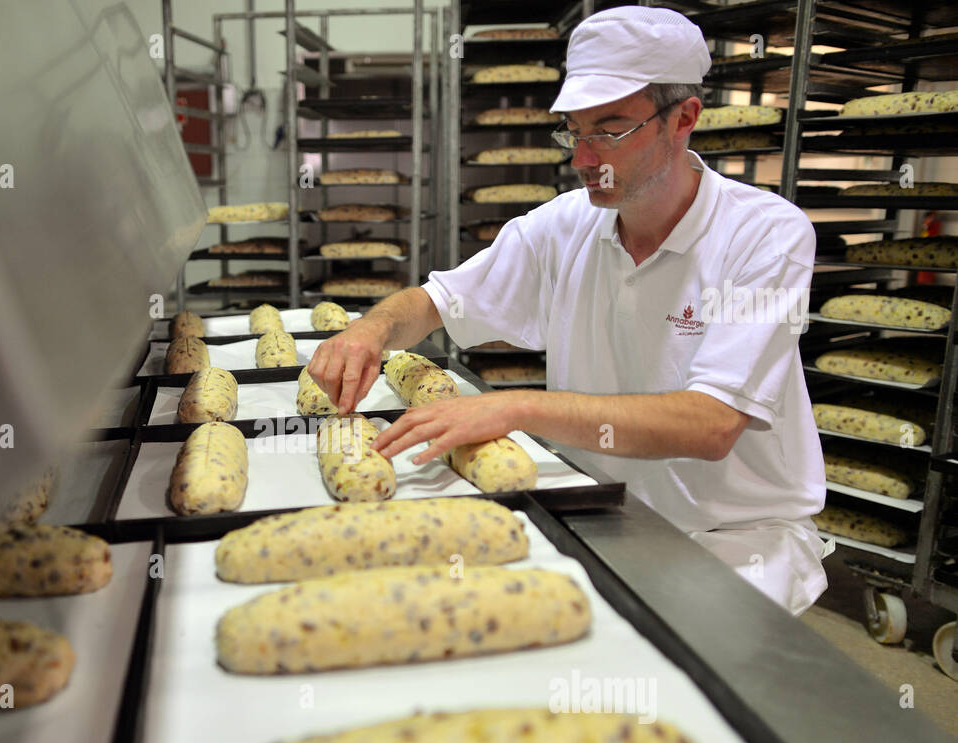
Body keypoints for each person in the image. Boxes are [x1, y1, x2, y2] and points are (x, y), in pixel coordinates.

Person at [306, 5, 828, 615]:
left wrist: (515, 407)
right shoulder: (567, 223)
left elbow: (711, 425)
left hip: (735, 542)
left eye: (610, 130)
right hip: (592, 510)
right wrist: (371, 329)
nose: (583, 157)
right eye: (573, 131)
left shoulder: (765, 235)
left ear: (684, 118)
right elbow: (437, 300)